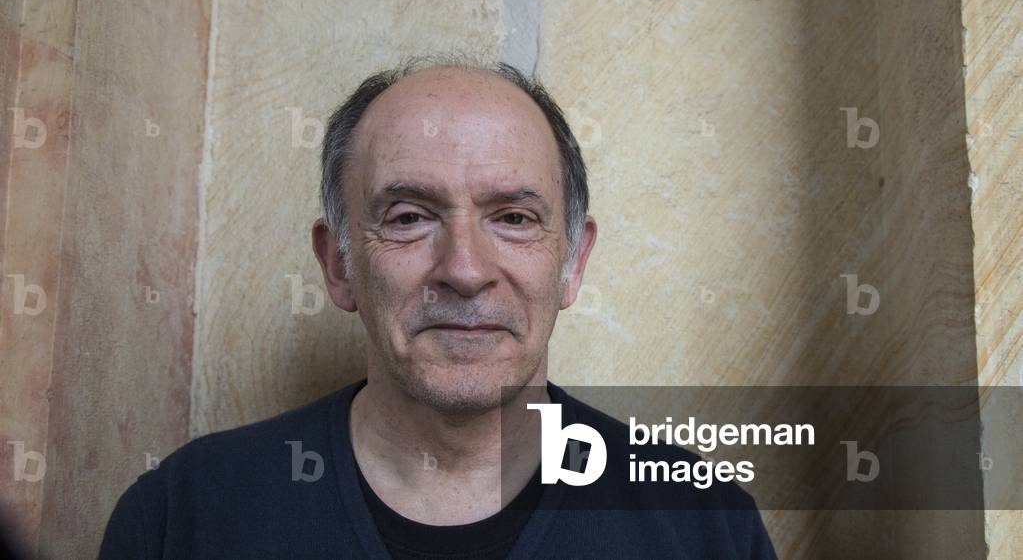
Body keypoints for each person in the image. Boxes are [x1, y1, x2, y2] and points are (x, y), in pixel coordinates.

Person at [99, 56, 776, 559]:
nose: (464, 269)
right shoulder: (182, 518)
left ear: (572, 262)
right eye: (408, 217)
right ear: (338, 263)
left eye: (512, 217)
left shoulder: (703, 525)